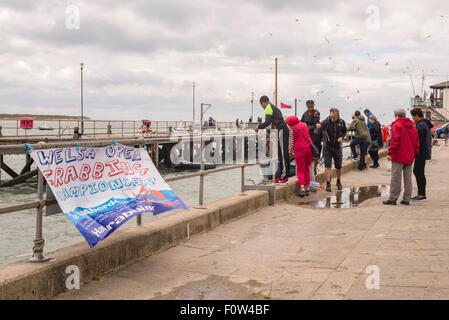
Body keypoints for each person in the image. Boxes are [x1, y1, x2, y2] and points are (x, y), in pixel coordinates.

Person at [383, 108, 419, 206]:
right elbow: (416, 143)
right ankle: (406, 199)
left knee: (395, 177)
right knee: (408, 178)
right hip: (409, 156)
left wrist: (390, 153)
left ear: (396, 116)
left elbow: (395, 141)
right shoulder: (412, 126)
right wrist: (414, 153)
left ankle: (393, 198)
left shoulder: (397, 125)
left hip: (398, 155)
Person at [255, 95, 290, 184]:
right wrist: (268, 130)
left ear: (263, 102)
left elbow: (267, 122)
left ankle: (284, 177)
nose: (262, 107)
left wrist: (258, 127)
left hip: (282, 131)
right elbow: (274, 124)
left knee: (283, 154)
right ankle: (281, 176)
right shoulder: (272, 107)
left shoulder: (268, 107)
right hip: (279, 131)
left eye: (261, 105)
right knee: (280, 154)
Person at [317, 108, 347, 192]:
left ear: (337, 115)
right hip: (327, 146)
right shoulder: (326, 122)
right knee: (327, 166)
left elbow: (345, 132)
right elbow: (318, 131)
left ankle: (338, 181)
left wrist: (342, 137)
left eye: (334, 117)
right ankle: (328, 183)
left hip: (337, 147)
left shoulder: (341, 122)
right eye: (331, 117)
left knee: (338, 166)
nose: (332, 119)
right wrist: (318, 127)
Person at [286, 116, 313, 197]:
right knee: (306, 168)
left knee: (300, 170)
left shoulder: (291, 128)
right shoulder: (304, 125)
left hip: (300, 150)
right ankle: (307, 187)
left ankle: (302, 188)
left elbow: (291, 143)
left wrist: (290, 153)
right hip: (309, 149)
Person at [410, 107, 431, 201]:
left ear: (417, 115)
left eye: (413, 116)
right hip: (424, 151)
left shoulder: (421, 125)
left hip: (421, 152)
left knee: (418, 172)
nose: (412, 118)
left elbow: (418, 139)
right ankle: (421, 193)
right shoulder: (424, 123)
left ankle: (421, 194)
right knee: (419, 172)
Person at [300, 100, 322, 174]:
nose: (310, 108)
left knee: (316, 152)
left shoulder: (316, 113)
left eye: (311, 107)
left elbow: (315, 123)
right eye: (309, 107)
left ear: (313, 105)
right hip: (307, 135)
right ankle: (309, 167)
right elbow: (301, 121)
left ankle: (314, 168)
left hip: (316, 136)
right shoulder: (305, 114)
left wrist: (307, 127)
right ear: (307, 106)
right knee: (308, 152)